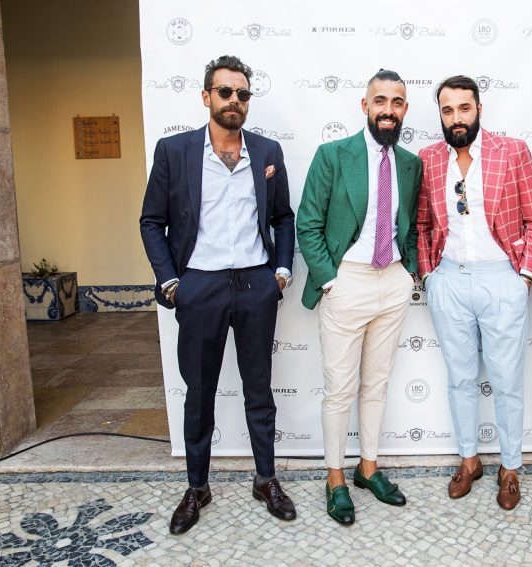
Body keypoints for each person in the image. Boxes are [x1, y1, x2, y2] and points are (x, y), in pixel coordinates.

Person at [140, 55, 296, 535]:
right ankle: (197, 486)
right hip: (199, 286)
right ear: (206, 96)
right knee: (200, 392)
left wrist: (281, 272)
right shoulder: (175, 151)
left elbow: (283, 217)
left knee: (258, 389)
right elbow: (152, 221)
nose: (234, 100)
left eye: (242, 93)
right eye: (225, 91)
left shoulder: (267, 152)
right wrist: (172, 282)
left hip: (254, 286)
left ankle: (266, 479)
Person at [297, 69, 422, 526]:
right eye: (380, 101)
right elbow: (308, 223)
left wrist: (409, 271)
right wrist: (330, 281)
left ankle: (368, 469)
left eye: (397, 102)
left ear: (404, 110)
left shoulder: (410, 163)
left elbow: (410, 224)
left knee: (377, 383)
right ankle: (335, 478)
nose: (388, 110)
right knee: (339, 389)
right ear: (365, 106)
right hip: (346, 281)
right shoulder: (333, 155)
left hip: (392, 282)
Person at [416, 75, 532, 510]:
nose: (456, 118)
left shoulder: (512, 151)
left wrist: (523, 276)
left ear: (479, 109)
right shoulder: (430, 158)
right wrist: (430, 276)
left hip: (502, 278)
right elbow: (422, 224)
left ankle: (510, 467)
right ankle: (469, 460)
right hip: (449, 280)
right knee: (460, 378)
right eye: (448, 110)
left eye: (464, 108)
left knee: (507, 381)